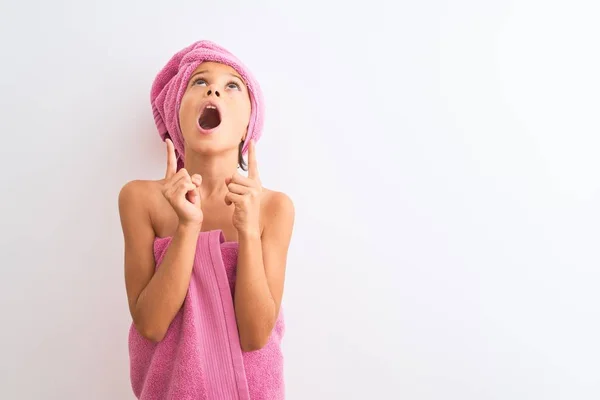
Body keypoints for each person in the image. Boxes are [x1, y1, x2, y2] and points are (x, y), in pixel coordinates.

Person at [118, 41, 294, 399]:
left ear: (249, 123)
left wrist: (247, 231)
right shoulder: (140, 199)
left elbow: (256, 335)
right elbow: (150, 325)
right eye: (198, 82)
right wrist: (187, 227)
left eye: (233, 86)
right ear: (176, 115)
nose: (214, 88)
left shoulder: (274, 208)